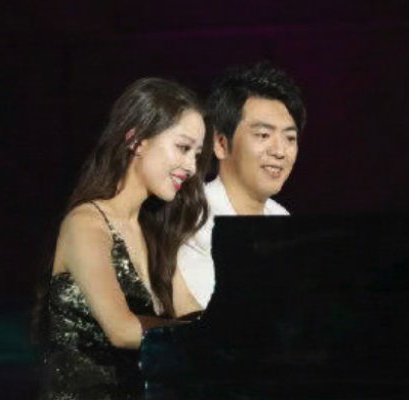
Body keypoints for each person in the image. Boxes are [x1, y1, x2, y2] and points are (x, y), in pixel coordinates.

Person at [34, 77, 212, 400]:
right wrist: (209, 335)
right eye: (183, 148)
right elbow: (122, 329)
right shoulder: (86, 224)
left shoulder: (154, 233)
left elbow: (190, 311)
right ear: (137, 140)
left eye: (197, 155)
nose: (191, 166)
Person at [173, 62, 307, 315]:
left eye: (290, 138)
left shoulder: (281, 218)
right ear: (221, 144)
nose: (280, 151)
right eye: (263, 135)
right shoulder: (190, 216)